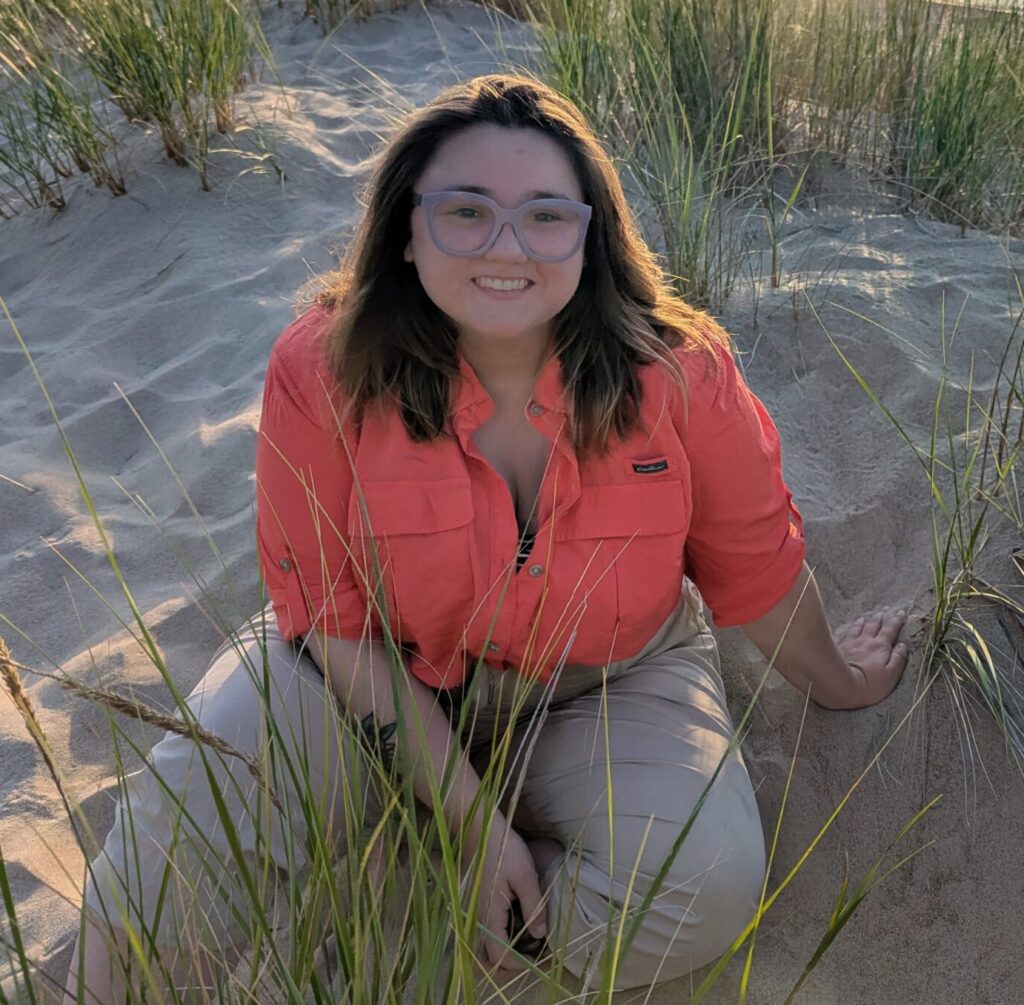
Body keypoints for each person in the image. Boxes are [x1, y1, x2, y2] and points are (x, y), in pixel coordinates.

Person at [63, 72, 909, 1002]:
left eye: (547, 216)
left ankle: (422, 896)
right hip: (370, 676)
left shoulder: (682, 373)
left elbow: (757, 568)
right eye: (465, 210)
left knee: (700, 886)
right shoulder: (320, 366)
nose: (507, 246)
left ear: (590, 235)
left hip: (608, 683)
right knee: (163, 871)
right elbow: (332, 622)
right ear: (406, 230)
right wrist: (472, 823)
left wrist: (842, 682)